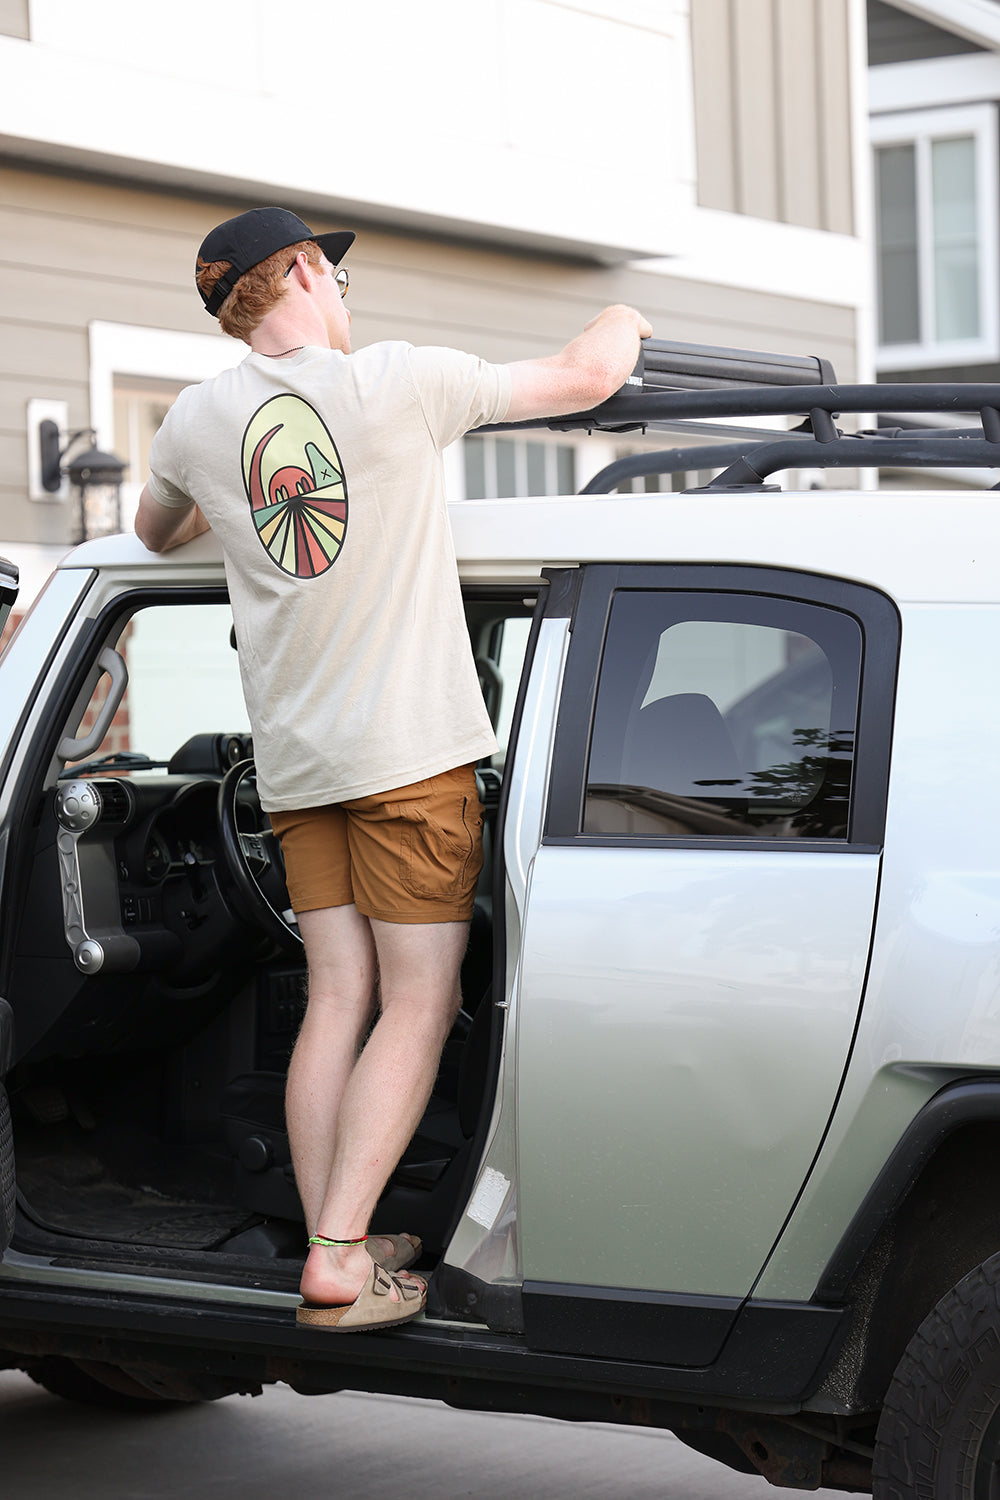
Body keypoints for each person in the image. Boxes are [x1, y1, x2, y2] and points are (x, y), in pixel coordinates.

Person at [135, 206, 651, 1332]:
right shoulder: (400, 384)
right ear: (303, 272)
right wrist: (627, 310)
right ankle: (336, 1258)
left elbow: (152, 531)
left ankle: (338, 1237)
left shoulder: (194, 421)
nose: (344, 295)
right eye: (336, 275)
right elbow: (585, 377)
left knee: (335, 996)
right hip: (410, 763)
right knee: (419, 1003)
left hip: (296, 769)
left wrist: (232, 499)